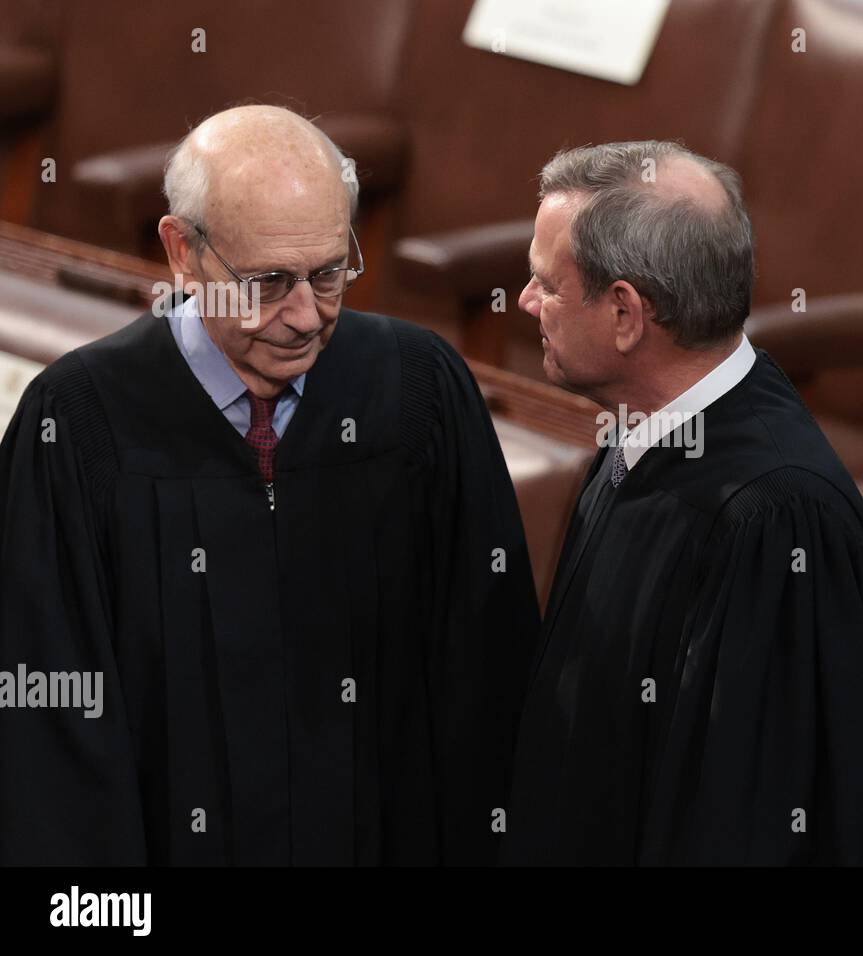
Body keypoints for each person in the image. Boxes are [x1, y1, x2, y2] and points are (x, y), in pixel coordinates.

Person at [0, 105, 539, 865]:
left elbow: (488, 680)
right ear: (182, 252)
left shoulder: (417, 393)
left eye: (328, 274)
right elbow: (52, 734)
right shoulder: (80, 424)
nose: (304, 317)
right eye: (267, 283)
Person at [503, 141, 863, 865]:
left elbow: (748, 817)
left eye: (547, 283)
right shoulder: (643, 433)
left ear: (626, 313)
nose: (526, 301)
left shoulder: (776, 521)